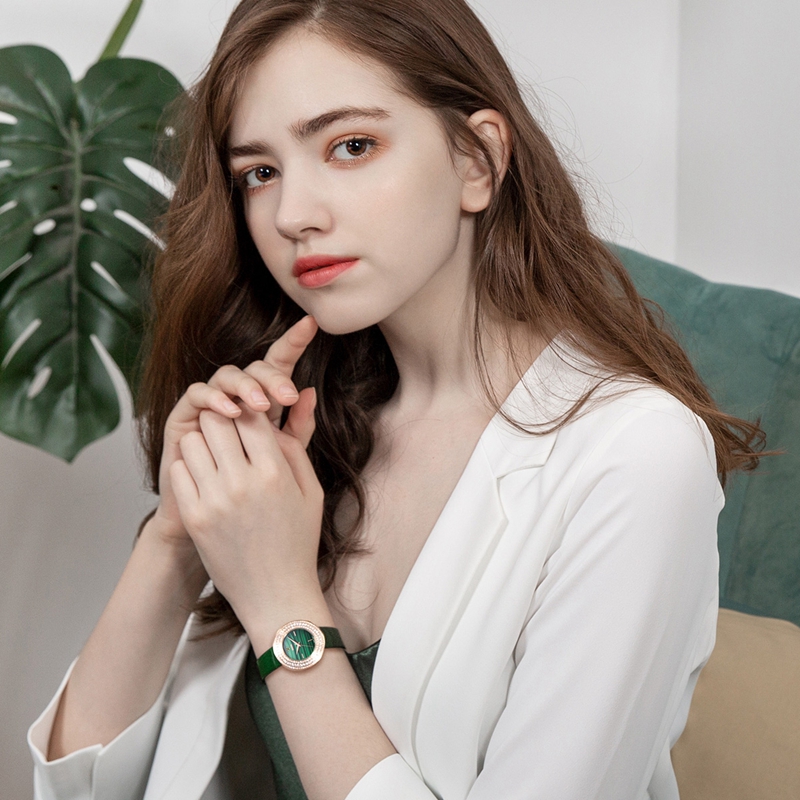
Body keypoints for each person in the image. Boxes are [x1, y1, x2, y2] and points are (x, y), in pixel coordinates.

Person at [27, 1, 764, 798]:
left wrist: (283, 611)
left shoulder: (636, 455)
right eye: (260, 173)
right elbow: (77, 790)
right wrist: (175, 538)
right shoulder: (298, 435)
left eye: (351, 146)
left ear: (478, 160)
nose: (293, 215)